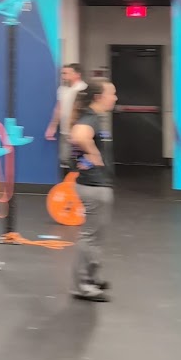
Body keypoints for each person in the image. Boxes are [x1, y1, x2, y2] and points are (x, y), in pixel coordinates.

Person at [70, 79, 117, 302]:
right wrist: (93, 154)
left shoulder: (96, 118)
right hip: (93, 186)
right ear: (98, 97)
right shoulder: (90, 117)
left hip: (97, 185)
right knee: (90, 237)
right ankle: (83, 286)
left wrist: (90, 156)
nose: (115, 98)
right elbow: (78, 136)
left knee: (96, 235)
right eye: (112, 93)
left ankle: (91, 277)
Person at [45, 64, 87, 173]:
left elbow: (83, 111)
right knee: (64, 158)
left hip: (78, 131)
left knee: (79, 159)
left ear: (77, 75)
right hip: (65, 131)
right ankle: (71, 180)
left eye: (66, 73)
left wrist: (76, 130)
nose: (63, 76)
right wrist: (52, 126)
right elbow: (58, 108)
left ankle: (79, 180)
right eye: (62, 73)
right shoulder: (62, 89)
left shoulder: (83, 88)